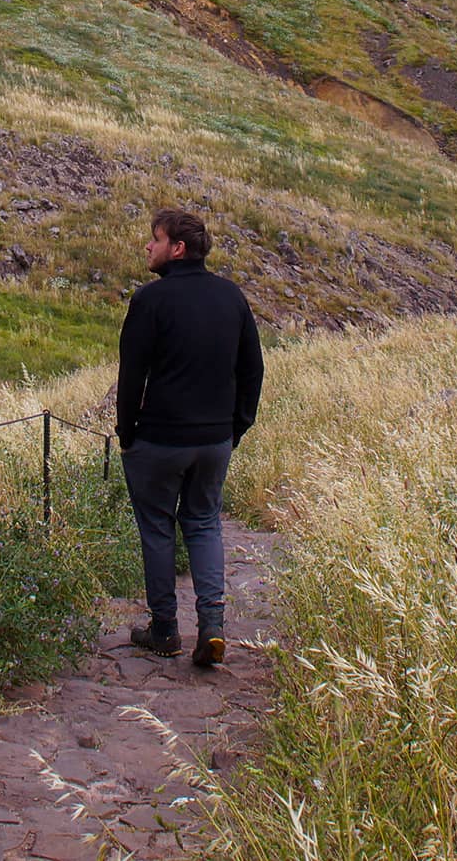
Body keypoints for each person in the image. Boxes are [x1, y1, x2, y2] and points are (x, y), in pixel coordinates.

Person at [117, 208, 264, 667]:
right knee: (203, 524)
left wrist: (127, 434)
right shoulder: (231, 297)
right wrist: (237, 426)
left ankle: (164, 630)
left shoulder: (150, 301)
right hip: (215, 440)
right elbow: (253, 370)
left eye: (154, 239)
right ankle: (213, 625)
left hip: (159, 440)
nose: (148, 246)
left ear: (176, 249)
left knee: (158, 528)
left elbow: (131, 375)